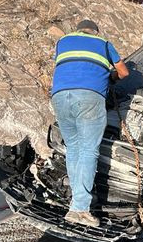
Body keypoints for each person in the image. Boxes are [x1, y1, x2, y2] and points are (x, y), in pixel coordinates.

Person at [50, 20, 130, 227]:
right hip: (88, 99)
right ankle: (80, 209)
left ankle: (76, 204)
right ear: (96, 32)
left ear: (78, 30)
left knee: (73, 149)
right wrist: (111, 77)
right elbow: (124, 73)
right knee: (88, 151)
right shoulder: (103, 43)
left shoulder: (63, 41)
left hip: (60, 96)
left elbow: (70, 66)